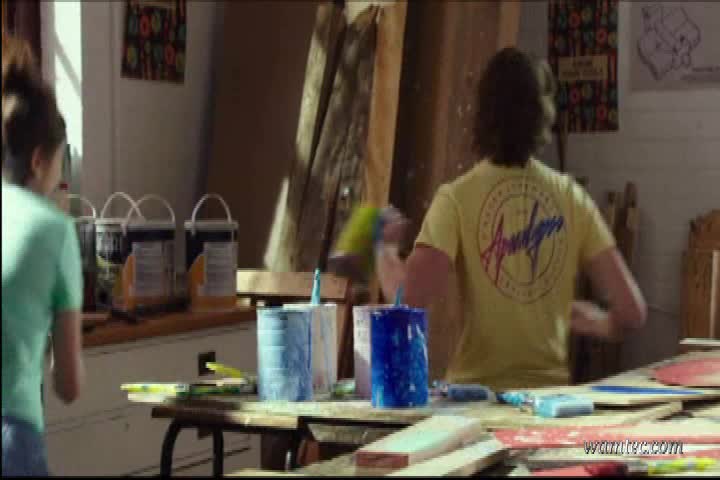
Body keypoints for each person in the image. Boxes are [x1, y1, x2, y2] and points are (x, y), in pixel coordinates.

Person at [375, 48, 647, 391]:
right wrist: (600, 322)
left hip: (477, 401)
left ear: (483, 114)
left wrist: (384, 249)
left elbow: (406, 300)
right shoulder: (570, 196)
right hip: (546, 403)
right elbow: (632, 313)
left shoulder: (456, 198)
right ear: (542, 116)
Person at [2, 36, 85, 476]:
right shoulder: (55, 230)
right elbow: (68, 385)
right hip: (12, 440)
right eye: (58, 163)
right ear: (38, 160)